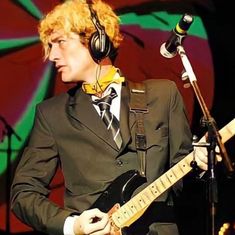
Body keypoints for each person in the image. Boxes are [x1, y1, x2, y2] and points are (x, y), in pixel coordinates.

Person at [10, 0, 209, 234]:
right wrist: (73, 225)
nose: (52, 56)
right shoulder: (52, 114)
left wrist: (201, 167)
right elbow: (23, 193)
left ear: (97, 41)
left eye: (60, 43)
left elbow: (184, 188)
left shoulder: (162, 95)